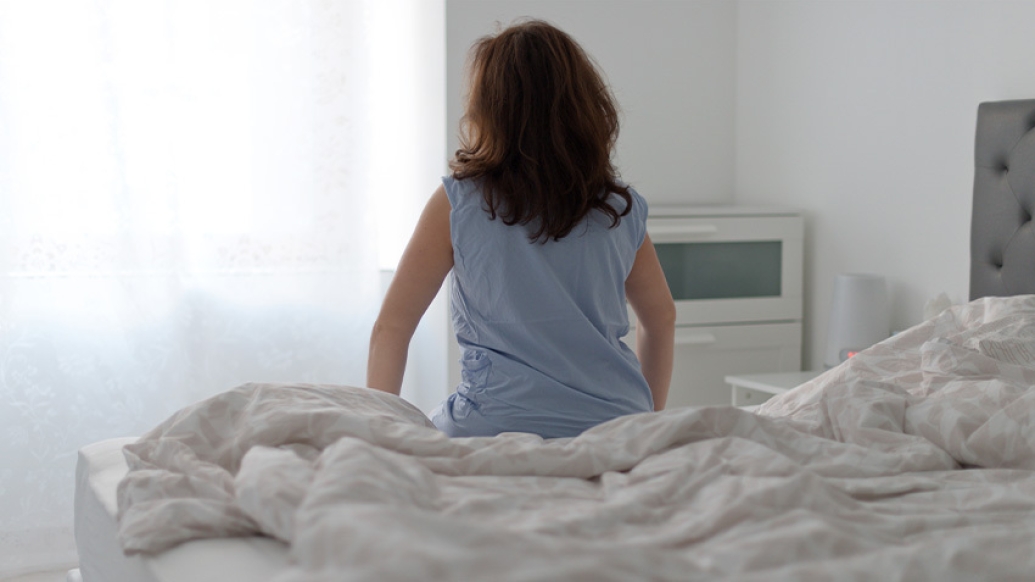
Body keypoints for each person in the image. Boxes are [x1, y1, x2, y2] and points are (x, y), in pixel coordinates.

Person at [366, 19, 675, 439]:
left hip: (492, 425)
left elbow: (392, 328)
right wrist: (646, 421)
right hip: (616, 423)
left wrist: (379, 435)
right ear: (585, 104)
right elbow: (661, 320)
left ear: (490, 109)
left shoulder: (458, 203)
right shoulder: (619, 209)